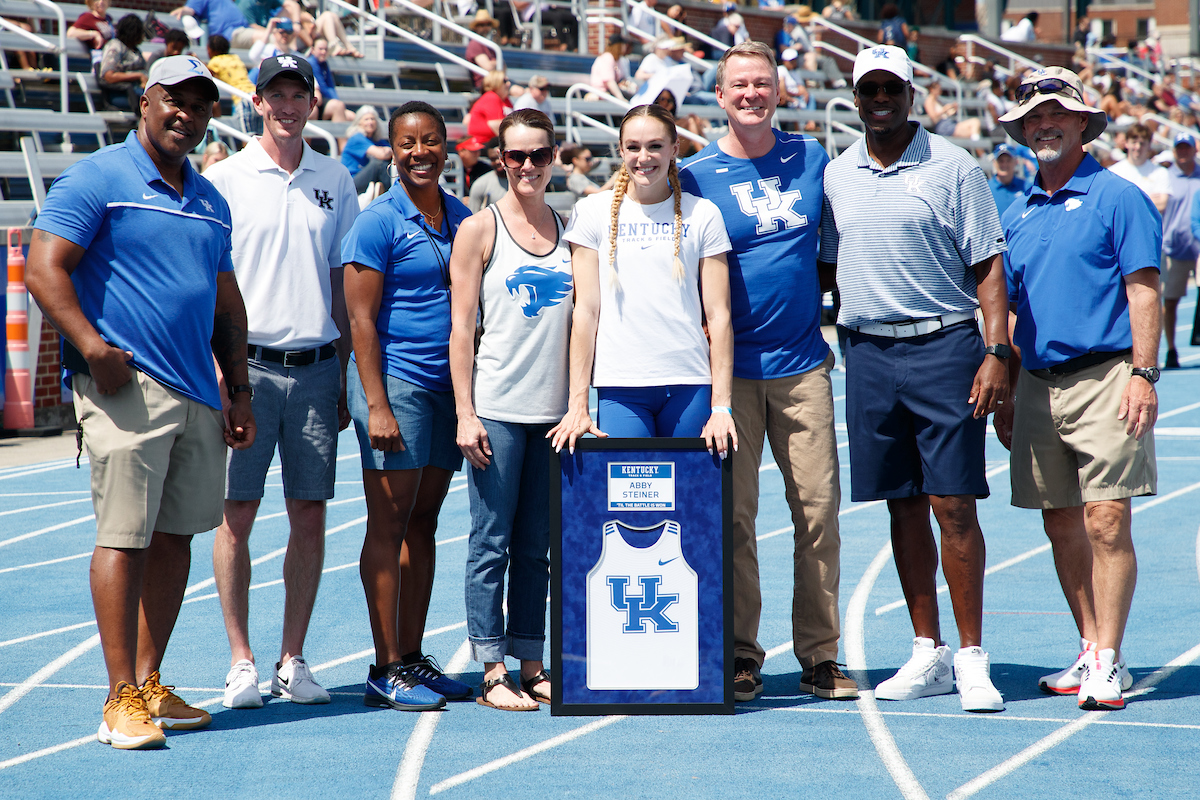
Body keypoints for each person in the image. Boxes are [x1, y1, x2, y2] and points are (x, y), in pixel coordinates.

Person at [25, 55, 255, 750]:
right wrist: (92, 348)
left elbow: (225, 304)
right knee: (124, 537)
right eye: (174, 100)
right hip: (127, 388)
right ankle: (117, 696)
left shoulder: (211, 199)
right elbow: (43, 267)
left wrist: (239, 389)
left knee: (176, 538)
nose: (188, 114)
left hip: (198, 393)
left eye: (201, 104)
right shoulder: (97, 178)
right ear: (145, 102)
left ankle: (149, 682)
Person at [821, 46, 1010, 713]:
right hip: (869, 354)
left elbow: (988, 265)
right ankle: (927, 651)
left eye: (891, 88)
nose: (880, 98)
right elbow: (827, 266)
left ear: (911, 94)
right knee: (901, 503)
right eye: (869, 88)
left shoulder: (953, 167)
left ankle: (971, 656)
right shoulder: (837, 174)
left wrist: (997, 351)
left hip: (945, 348)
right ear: (854, 97)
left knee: (953, 504)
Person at [678, 40, 852, 703]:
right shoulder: (693, 174)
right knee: (734, 519)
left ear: (779, 91)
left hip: (803, 366)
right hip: (729, 375)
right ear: (720, 96)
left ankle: (820, 654)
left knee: (818, 514)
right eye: (739, 85)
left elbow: (835, 248)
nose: (751, 94)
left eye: (762, 83)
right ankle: (741, 654)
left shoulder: (812, 158)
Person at [994, 67, 1162, 711]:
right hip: (1038, 385)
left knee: (1106, 519)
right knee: (1060, 520)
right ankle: (1091, 647)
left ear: (1083, 124)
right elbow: (1011, 312)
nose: (1045, 125)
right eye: (1034, 118)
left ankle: (1111, 660)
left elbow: (1143, 290)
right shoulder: (1016, 211)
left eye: (1056, 114)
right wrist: (1008, 388)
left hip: (1108, 376)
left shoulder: (1119, 197)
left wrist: (1144, 374)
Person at [204, 54, 358, 711]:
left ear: (313, 103)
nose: (288, 106)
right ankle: (240, 660)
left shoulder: (336, 178)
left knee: (309, 514)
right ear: (258, 103)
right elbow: (208, 283)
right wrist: (220, 371)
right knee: (235, 514)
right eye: (277, 95)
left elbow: (342, 282)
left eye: (299, 94)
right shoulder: (225, 178)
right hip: (249, 370)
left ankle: (291, 659)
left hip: (318, 368)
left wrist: (346, 369)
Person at [342, 101, 475, 711]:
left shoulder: (462, 217)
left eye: (430, 142)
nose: (419, 152)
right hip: (395, 384)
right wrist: (376, 403)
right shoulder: (378, 222)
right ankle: (385, 665)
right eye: (406, 143)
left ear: (446, 147)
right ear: (392, 150)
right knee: (389, 523)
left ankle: (413, 657)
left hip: (448, 389)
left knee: (425, 521)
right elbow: (360, 321)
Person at [448, 109, 571, 711]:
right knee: (491, 542)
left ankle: (532, 662)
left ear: (554, 158)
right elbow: (460, 330)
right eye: (517, 156)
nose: (528, 166)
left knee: (535, 548)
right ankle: (493, 669)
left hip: (554, 416)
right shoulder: (479, 229)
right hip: (497, 409)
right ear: (500, 160)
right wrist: (465, 413)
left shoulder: (571, 229)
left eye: (538, 155)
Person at [549, 103, 736, 458]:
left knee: (690, 494)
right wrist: (578, 402)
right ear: (621, 151)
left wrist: (721, 405)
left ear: (674, 148)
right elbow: (585, 312)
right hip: (621, 386)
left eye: (655, 146)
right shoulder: (591, 212)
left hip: (690, 384)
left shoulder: (703, 214)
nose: (643, 157)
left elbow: (719, 315)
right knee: (629, 493)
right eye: (633, 147)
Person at [1160, 133, 1199, 368]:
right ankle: (1171, 349)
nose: (1183, 152)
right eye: (1179, 148)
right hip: (1173, 249)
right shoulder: (1165, 177)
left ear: (1195, 149)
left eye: (1187, 148)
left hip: (1199, 250)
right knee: (1171, 301)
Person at [1109, 123, 1169, 213]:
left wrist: (1126, 201)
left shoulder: (1161, 172)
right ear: (1126, 143)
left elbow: (1161, 205)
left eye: (1142, 143)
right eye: (1134, 142)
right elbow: (1111, 204)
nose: (1138, 147)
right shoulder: (1113, 172)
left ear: (1149, 145)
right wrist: (1148, 200)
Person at [206, 34, 259, 135]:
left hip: (242, 98)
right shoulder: (235, 58)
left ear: (211, 49)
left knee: (246, 136)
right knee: (257, 134)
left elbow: (208, 73)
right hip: (253, 93)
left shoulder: (215, 62)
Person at [97, 15, 148, 111]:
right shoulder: (115, 47)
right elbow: (109, 76)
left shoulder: (135, 50)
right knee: (151, 102)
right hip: (122, 93)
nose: (143, 36)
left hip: (138, 91)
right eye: (141, 32)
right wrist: (138, 76)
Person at [171, 0, 266, 48]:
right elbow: (190, 10)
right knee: (266, 37)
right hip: (231, 35)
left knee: (268, 37)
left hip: (243, 30)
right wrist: (182, 11)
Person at [342, 105, 393, 193]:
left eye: (372, 119)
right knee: (379, 164)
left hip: (367, 179)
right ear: (359, 122)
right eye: (366, 119)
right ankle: (390, 194)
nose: (370, 122)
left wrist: (388, 151)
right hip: (351, 181)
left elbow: (394, 153)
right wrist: (386, 151)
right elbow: (382, 154)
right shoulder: (356, 138)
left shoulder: (377, 140)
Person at [306, 37, 354, 123]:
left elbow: (331, 85)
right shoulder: (310, 63)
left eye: (325, 49)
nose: (323, 52)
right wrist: (336, 102)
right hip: (316, 103)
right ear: (312, 50)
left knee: (352, 116)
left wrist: (336, 100)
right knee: (338, 107)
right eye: (320, 49)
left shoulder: (324, 64)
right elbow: (323, 87)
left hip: (325, 100)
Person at [468, 71, 513, 141]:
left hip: (494, 140)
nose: (508, 84)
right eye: (504, 81)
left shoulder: (505, 100)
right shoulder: (491, 97)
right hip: (482, 142)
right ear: (495, 82)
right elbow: (496, 125)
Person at [468, 139, 508, 212]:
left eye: (500, 158)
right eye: (493, 159)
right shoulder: (480, 185)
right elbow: (473, 214)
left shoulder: (522, 182)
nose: (497, 162)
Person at [590, 34, 634, 100]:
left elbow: (625, 78)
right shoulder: (607, 57)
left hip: (611, 93)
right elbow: (610, 82)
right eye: (623, 44)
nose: (625, 47)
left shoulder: (620, 60)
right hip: (601, 93)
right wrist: (621, 99)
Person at [988, 143, 1026, 217]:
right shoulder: (987, 189)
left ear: (1016, 162)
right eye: (1001, 161)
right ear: (994, 162)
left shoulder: (1026, 187)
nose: (1004, 164)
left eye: (1008, 160)